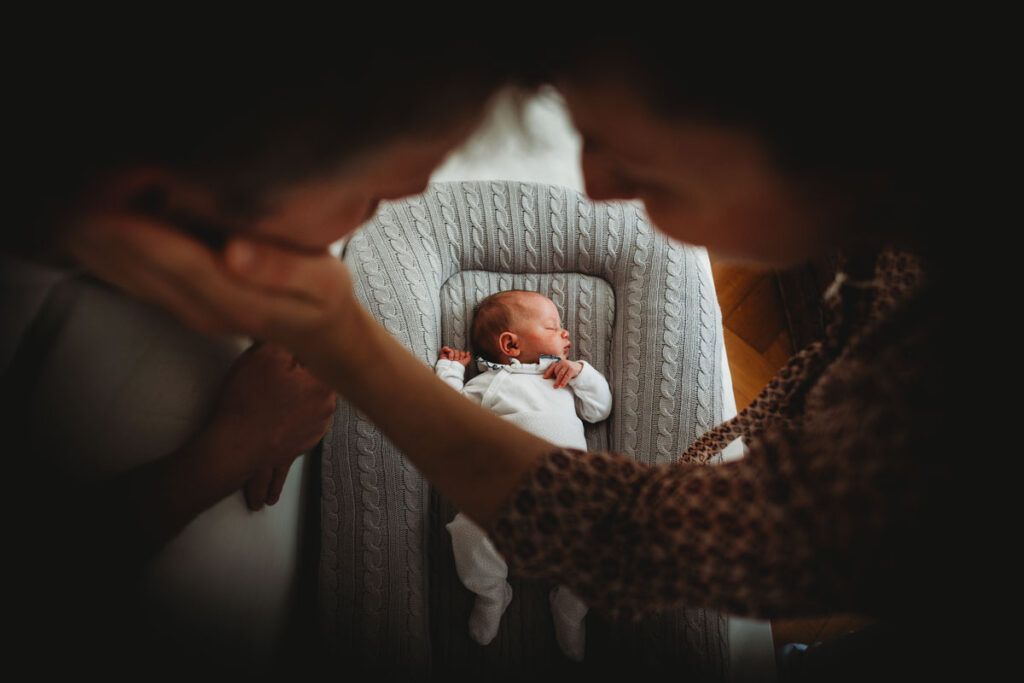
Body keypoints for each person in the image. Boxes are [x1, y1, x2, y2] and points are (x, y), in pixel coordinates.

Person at [30, 41, 984, 678]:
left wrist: (346, 342)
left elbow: (652, 536)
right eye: (369, 201)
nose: (596, 186)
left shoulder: (923, 429)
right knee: (474, 553)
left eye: (631, 162)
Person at [435, 290, 612, 661]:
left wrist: (581, 373)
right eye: (553, 326)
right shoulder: (486, 385)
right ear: (511, 344)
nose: (566, 334)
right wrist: (451, 371)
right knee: (467, 531)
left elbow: (599, 410)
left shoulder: (561, 378)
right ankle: (491, 592)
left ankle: (570, 606)